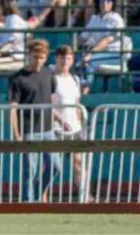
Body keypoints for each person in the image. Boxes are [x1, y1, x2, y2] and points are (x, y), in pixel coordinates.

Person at [8, 39, 59, 203]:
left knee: (55, 166)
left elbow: (51, 100)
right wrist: (16, 133)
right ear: (29, 55)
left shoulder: (49, 74)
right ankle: (27, 202)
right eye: (35, 57)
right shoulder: (17, 78)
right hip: (29, 130)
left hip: (48, 129)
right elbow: (12, 108)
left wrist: (58, 119)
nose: (39, 61)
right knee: (30, 170)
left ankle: (37, 193)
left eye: (42, 57)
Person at [50, 45, 91, 202]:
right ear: (56, 59)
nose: (65, 61)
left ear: (72, 60)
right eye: (62, 57)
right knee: (51, 166)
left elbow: (77, 103)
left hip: (75, 129)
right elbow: (50, 104)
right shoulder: (52, 78)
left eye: (68, 58)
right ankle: (42, 196)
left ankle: (85, 195)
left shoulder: (75, 79)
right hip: (55, 129)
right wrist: (60, 120)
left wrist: (81, 123)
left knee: (79, 163)